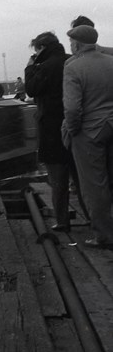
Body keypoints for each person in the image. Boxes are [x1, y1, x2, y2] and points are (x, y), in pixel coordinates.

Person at [62, 24, 113, 247]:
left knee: (94, 185)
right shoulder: (111, 61)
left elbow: (72, 109)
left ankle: (104, 235)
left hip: (88, 131)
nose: (70, 46)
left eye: (71, 42)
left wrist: (72, 131)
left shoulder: (73, 67)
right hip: (111, 125)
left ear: (78, 44)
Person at [25, 32, 72, 230]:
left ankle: (62, 221)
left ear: (42, 48)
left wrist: (29, 67)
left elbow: (31, 89)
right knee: (84, 178)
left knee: (58, 179)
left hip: (53, 128)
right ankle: (96, 222)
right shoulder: (72, 61)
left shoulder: (45, 67)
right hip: (77, 127)